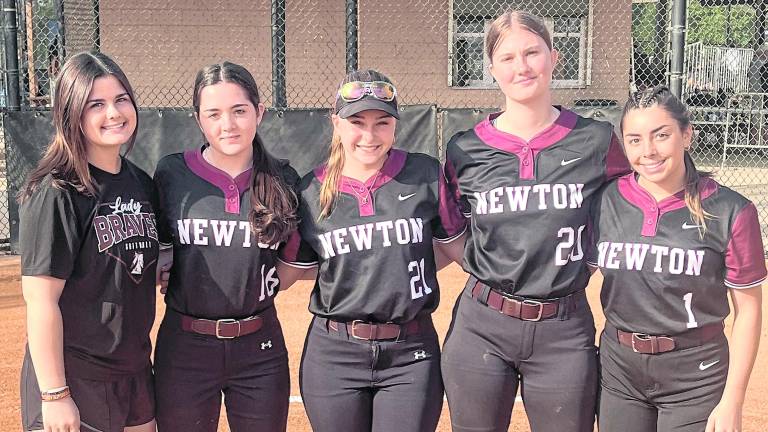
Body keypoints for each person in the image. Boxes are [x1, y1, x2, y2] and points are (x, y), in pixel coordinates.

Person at [439, 10, 631, 432]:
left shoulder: (596, 140)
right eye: (507, 58)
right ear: (492, 69)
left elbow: (628, 211)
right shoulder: (465, 149)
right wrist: (484, 265)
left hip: (563, 327)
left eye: (532, 53)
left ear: (554, 57)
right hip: (482, 325)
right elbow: (451, 229)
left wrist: (587, 261)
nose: (522, 66)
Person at [278, 69, 466, 432]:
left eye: (382, 122)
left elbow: (455, 248)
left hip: (411, 353)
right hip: (334, 354)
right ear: (336, 123)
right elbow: (286, 274)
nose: (369, 135)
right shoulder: (311, 191)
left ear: (395, 125)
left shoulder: (424, 174)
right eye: (357, 122)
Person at [589, 85, 765, 432]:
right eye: (635, 139)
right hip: (620, 370)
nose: (648, 151)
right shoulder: (606, 200)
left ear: (686, 135)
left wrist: (733, 400)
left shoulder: (730, 211)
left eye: (661, 135)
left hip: (696, 374)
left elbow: (749, 310)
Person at [152, 62, 299, 432]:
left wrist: (256, 284)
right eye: (213, 114)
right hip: (185, 345)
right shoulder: (172, 174)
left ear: (259, 112)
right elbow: (159, 244)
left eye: (239, 111)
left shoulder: (282, 178)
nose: (228, 125)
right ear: (198, 120)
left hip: (259, 347)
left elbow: (292, 261)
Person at [19, 51, 158, 432]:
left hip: (133, 370)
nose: (113, 113)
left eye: (121, 99)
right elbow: (41, 300)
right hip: (77, 376)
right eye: (95, 104)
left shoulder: (141, 184)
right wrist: (55, 394)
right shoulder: (58, 192)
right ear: (71, 114)